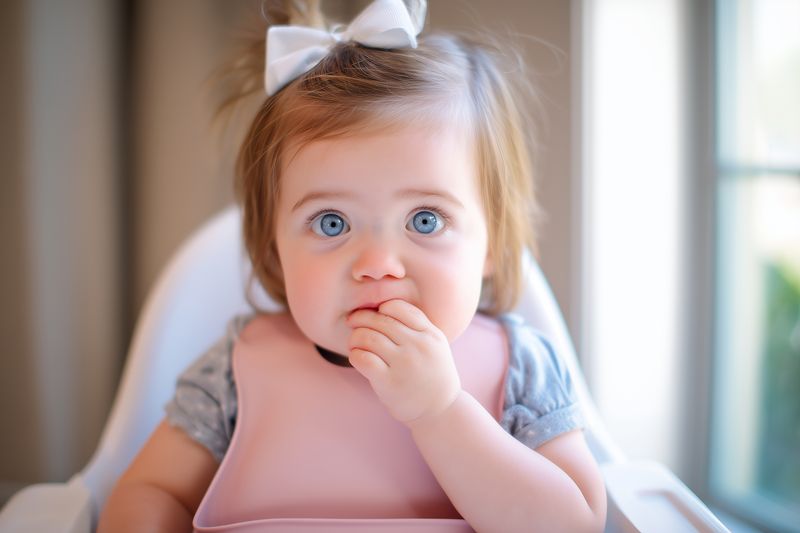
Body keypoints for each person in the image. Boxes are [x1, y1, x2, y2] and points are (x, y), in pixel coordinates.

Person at [98, 0, 606, 531]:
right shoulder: (234, 371)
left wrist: (440, 412)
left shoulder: (521, 366)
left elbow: (576, 524)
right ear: (273, 251)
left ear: (492, 246)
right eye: (332, 223)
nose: (378, 265)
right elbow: (148, 492)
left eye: (426, 220)